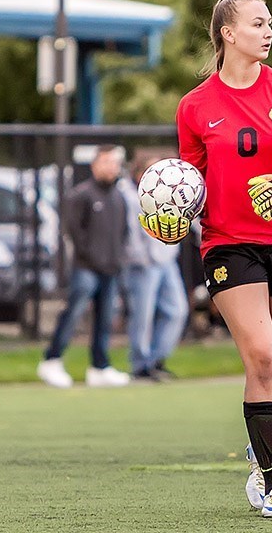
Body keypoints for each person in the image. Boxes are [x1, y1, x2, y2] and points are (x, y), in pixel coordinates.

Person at [142, 0, 272, 518]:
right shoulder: (195, 106)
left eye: (270, 23)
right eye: (258, 23)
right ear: (228, 33)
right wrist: (172, 220)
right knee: (263, 358)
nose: (268, 31)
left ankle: (261, 452)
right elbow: (191, 183)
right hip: (230, 244)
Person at [37, 145, 131, 389]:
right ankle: (52, 359)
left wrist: (116, 259)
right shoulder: (81, 195)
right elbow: (75, 233)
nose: (111, 167)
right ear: (95, 165)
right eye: (106, 162)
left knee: (105, 317)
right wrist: (92, 258)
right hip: (86, 268)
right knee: (74, 311)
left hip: (110, 269)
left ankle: (99, 366)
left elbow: (123, 232)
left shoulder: (119, 197)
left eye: (114, 162)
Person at [118, 154, 190, 382]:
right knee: (143, 316)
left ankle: (157, 360)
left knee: (177, 309)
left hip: (166, 259)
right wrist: (141, 257)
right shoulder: (128, 194)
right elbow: (130, 232)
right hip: (142, 264)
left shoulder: (167, 192)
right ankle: (140, 365)